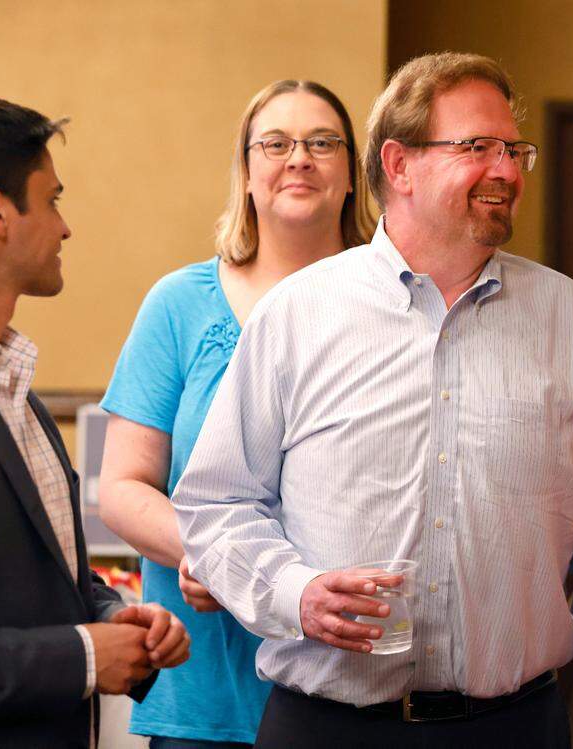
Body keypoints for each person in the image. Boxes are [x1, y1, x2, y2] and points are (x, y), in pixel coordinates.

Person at [171, 52, 573, 749]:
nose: (507, 169)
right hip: (327, 725)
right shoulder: (297, 315)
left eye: (514, 150)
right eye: (477, 147)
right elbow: (217, 504)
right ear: (399, 165)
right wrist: (295, 592)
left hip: (514, 727)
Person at [97, 80, 374, 748]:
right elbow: (123, 485)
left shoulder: (392, 306)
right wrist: (216, 556)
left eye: (322, 143)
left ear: (352, 177)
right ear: (247, 174)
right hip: (208, 689)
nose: (299, 158)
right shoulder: (178, 304)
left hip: (352, 683)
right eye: (275, 143)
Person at [0, 90, 190, 747]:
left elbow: (45, 585)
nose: (65, 226)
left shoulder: (13, 390)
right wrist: (83, 656)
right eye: (51, 199)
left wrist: (115, 617)